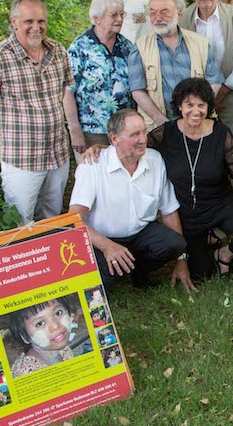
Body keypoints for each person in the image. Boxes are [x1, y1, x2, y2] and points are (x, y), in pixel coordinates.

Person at [145, 78, 233, 280]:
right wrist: (100, 151)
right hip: (186, 210)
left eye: (201, 105)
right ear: (179, 106)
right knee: (201, 274)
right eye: (189, 105)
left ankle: (224, 253)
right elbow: (136, 146)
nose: (196, 111)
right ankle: (208, 243)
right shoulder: (166, 133)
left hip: (220, 201)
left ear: (208, 107)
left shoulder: (220, 132)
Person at [0, 0, 73, 224]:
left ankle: (48, 259)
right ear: (14, 22)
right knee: (20, 221)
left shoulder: (58, 51)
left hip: (57, 154)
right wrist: (1, 134)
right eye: (28, 21)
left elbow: (67, 90)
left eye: (41, 21)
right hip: (22, 158)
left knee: (52, 215)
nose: (36, 27)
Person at [68, 109, 195, 291]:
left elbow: (169, 211)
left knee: (175, 243)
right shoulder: (93, 166)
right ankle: (120, 268)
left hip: (141, 234)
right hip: (102, 238)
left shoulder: (155, 159)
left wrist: (181, 261)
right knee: (107, 278)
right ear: (114, 139)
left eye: (144, 132)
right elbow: (73, 219)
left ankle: (137, 271)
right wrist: (107, 246)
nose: (143, 139)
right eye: (134, 135)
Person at [180, 0, 233, 174]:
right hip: (194, 97)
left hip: (230, 92)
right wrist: (202, 97)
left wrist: (221, 91)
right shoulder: (183, 18)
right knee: (200, 147)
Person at [129, 0, 224, 130]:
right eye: (153, 12)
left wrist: (195, 112)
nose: (158, 17)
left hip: (197, 124)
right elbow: (137, 90)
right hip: (157, 127)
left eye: (164, 11)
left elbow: (215, 82)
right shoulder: (140, 47)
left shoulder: (200, 43)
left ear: (179, 13)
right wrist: (162, 122)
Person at [64, 0, 139, 156]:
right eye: (113, 15)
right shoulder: (80, 47)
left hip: (124, 130)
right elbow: (67, 91)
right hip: (92, 131)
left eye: (121, 14)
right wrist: (74, 129)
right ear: (97, 19)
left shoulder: (127, 46)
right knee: (95, 178)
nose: (119, 19)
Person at [5, 297, 76, 378]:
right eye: (40, 323)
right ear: (25, 337)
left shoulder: (64, 350)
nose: (55, 326)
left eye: (58, 313)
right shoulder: (26, 374)